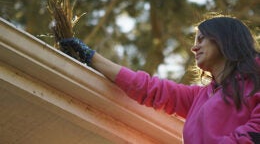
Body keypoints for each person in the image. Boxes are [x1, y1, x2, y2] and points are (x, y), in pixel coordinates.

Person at [59, 16, 260, 144]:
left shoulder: (256, 77)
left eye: (201, 39)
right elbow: (148, 88)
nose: (194, 48)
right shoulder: (200, 96)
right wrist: (90, 56)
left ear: (223, 39)